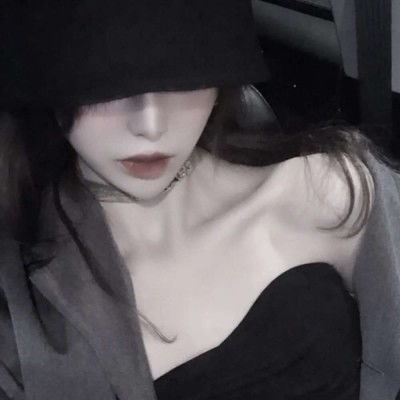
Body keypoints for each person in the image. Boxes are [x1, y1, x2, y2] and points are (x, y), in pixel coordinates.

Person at [0, 1, 399, 399]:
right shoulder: (21, 308)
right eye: (102, 82)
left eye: (182, 76)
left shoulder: (328, 195)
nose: (150, 125)